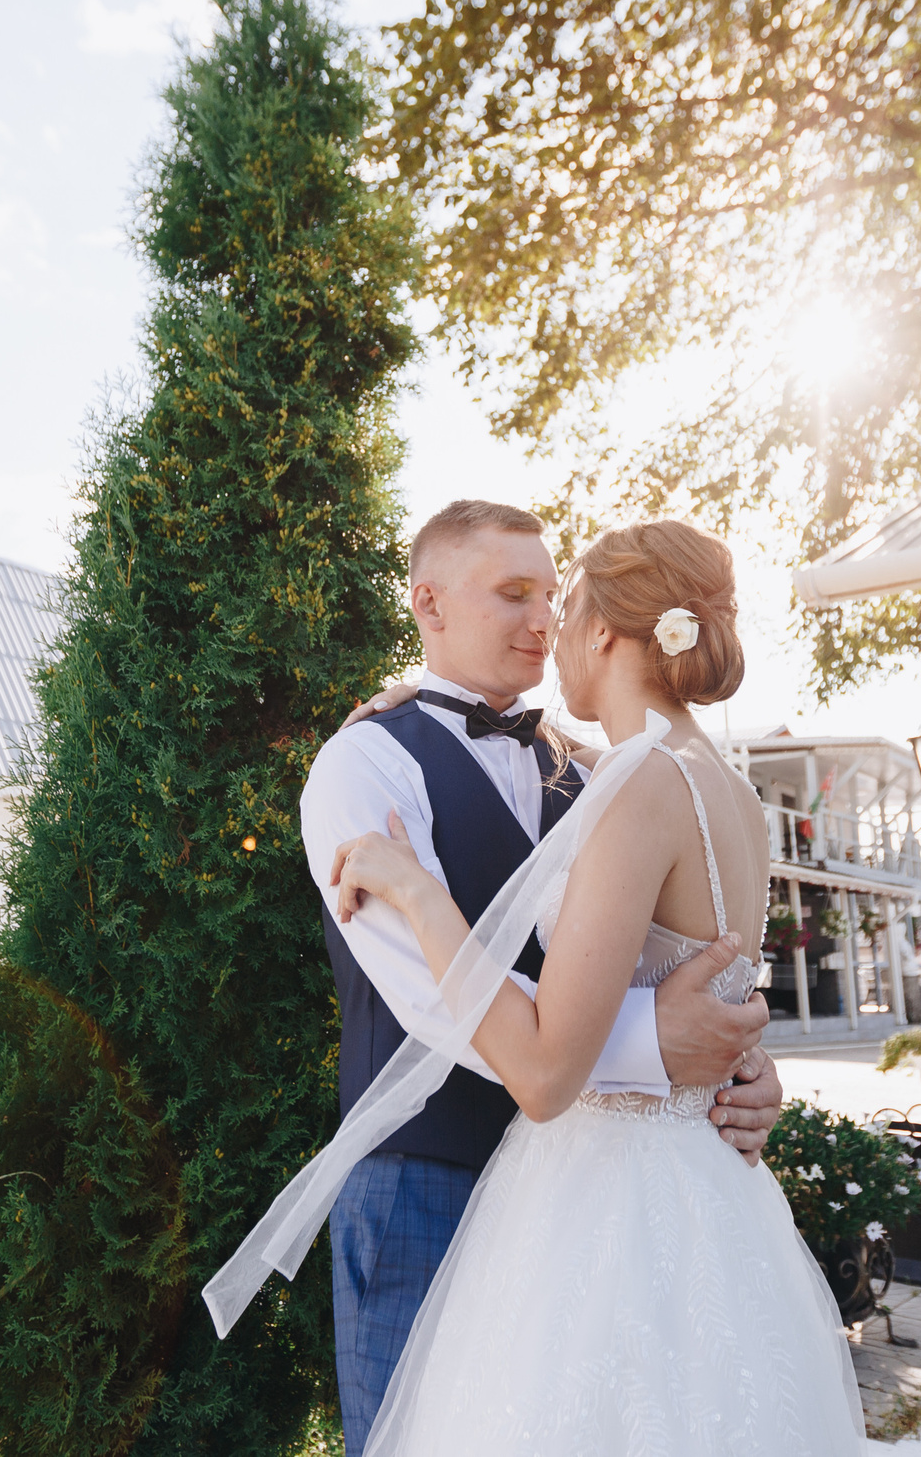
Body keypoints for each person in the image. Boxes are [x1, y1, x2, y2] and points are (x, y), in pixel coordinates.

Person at [332, 519, 863, 1453]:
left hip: (601, 1198)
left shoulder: (631, 781)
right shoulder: (731, 792)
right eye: (517, 596)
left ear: (607, 634)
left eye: (561, 604)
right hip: (702, 1195)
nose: (547, 626)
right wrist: (725, 1058)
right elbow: (711, 970)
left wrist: (417, 887)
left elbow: (543, 1074)